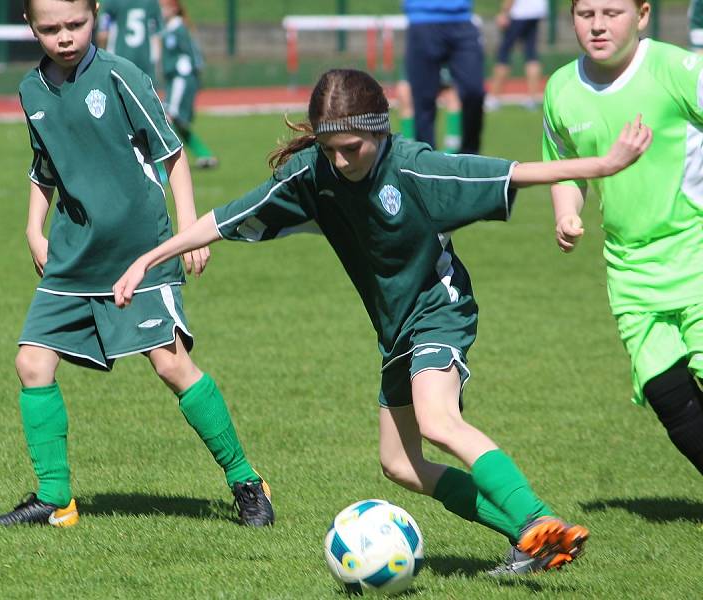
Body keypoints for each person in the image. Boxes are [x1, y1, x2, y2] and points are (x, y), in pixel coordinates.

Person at [113, 69, 652, 573]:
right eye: (330, 149)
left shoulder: (416, 168)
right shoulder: (313, 175)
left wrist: (603, 167)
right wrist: (149, 258)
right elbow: (224, 217)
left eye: (352, 148)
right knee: (399, 464)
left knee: (439, 421)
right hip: (395, 326)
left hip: (440, 309)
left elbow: (516, 172)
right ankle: (525, 538)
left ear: (380, 130)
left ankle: (536, 518)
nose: (342, 161)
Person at [0, 0, 274, 528]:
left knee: (171, 364)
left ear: (95, 13)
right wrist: (34, 228)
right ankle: (56, 498)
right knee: (31, 363)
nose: (65, 37)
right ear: (30, 26)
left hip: (140, 253)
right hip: (73, 255)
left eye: (76, 24)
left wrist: (190, 233)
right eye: (50, 29)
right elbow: (44, 166)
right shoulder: (31, 91)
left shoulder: (122, 77)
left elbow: (172, 154)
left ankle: (246, 480)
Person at [543, 0, 703, 477]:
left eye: (612, 12)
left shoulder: (676, 68)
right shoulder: (561, 90)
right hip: (630, 267)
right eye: (585, 13)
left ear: (643, 15)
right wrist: (566, 213)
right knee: (668, 395)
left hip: (695, 250)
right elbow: (561, 165)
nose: (597, 25)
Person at [402, 0, 485, 153]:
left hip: (462, 19)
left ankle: (470, 155)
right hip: (422, 19)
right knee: (423, 100)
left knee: (475, 91)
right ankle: (426, 162)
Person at [158, 0, 218, 169]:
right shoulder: (168, 29)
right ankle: (205, 155)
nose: (161, 11)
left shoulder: (179, 29)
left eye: (164, 7)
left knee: (167, 119)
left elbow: (193, 55)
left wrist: (192, 77)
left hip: (181, 81)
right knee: (178, 122)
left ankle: (164, 169)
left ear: (174, 8)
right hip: (174, 81)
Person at [485, 0, 548, 111]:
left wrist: (504, 12)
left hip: (519, 13)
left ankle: (494, 98)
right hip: (536, 12)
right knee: (531, 54)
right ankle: (533, 99)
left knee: (503, 53)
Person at [396, 68, 463, 153]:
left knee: (453, 93)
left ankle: (452, 150)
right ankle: (408, 150)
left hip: (442, 60)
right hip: (419, 58)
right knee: (404, 91)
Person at [96, 0, 163, 80]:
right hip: (145, 61)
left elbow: (103, 34)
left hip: (119, 58)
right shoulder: (152, 2)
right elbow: (157, 36)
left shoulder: (112, 2)